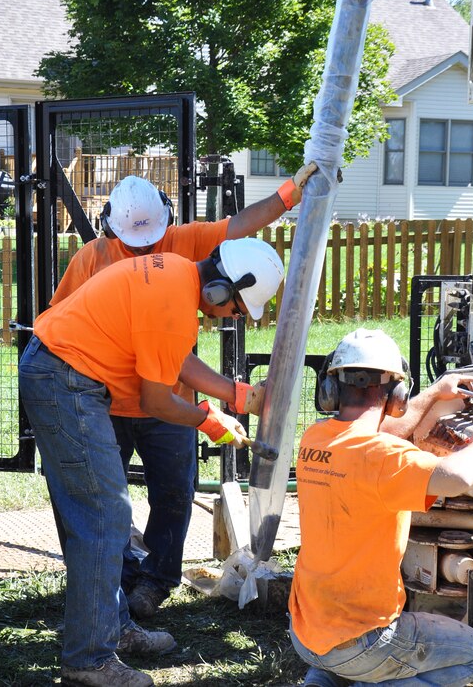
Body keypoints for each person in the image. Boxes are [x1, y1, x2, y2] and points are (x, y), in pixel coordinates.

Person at [50, 166, 315, 619]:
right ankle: (109, 586)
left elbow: (240, 226)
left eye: (150, 242)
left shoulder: (182, 246)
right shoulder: (91, 258)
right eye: (133, 246)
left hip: (166, 401)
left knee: (174, 492)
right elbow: (64, 329)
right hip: (105, 402)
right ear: (111, 229)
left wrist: (290, 193)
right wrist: (215, 415)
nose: (143, 251)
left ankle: (154, 581)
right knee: (98, 499)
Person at [19, 237, 284, 687]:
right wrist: (208, 421)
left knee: (100, 514)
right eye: (239, 308)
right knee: (104, 515)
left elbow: (174, 358)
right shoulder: (174, 301)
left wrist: (237, 396)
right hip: (65, 379)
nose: (235, 317)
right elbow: (158, 400)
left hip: (60, 372)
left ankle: (110, 629)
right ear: (222, 289)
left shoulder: (177, 276)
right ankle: (88, 660)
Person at [288, 328, 473, 687]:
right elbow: (460, 477)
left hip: (305, 634)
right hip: (364, 641)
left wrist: (435, 393)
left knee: (338, 656)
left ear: (331, 389)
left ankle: (325, 678)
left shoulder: (316, 439)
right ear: (398, 395)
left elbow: (380, 434)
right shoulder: (385, 458)